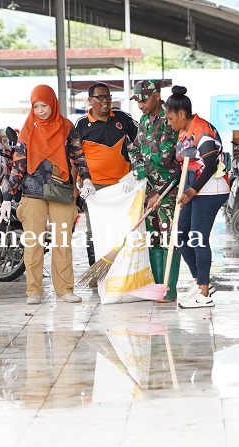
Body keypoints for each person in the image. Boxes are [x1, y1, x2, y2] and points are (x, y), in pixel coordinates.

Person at [0, 85, 94, 305]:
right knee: (33, 243)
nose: (41, 110)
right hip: (32, 193)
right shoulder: (27, 129)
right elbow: (18, 164)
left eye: (44, 105)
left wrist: (86, 178)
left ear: (53, 103)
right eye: (36, 106)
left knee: (62, 243)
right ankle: (34, 290)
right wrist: (7, 196)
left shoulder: (67, 127)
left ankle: (64, 290)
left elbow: (78, 155)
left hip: (61, 191)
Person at [151, 85, 229, 309]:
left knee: (197, 237)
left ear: (182, 114)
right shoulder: (184, 133)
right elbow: (180, 168)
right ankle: (200, 281)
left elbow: (210, 164)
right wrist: (162, 191)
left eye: (170, 118)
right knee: (180, 236)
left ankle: (204, 294)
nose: (168, 122)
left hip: (211, 189)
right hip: (193, 189)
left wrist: (191, 190)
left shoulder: (202, 130)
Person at [122, 80, 181, 302]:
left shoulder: (169, 120)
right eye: (137, 100)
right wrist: (138, 168)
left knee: (168, 238)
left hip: (167, 190)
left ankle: (169, 290)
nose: (140, 105)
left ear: (156, 96)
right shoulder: (145, 121)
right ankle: (158, 288)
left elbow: (164, 157)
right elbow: (135, 148)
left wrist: (139, 167)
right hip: (148, 191)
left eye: (143, 99)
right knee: (153, 238)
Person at [75, 82, 138, 188]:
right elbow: (75, 156)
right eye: (100, 97)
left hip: (123, 183)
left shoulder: (122, 117)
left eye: (108, 96)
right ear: (90, 100)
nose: (105, 100)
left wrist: (136, 171)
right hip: (92, 185)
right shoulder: (81, 124)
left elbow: (142, 140)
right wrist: (79, 186)